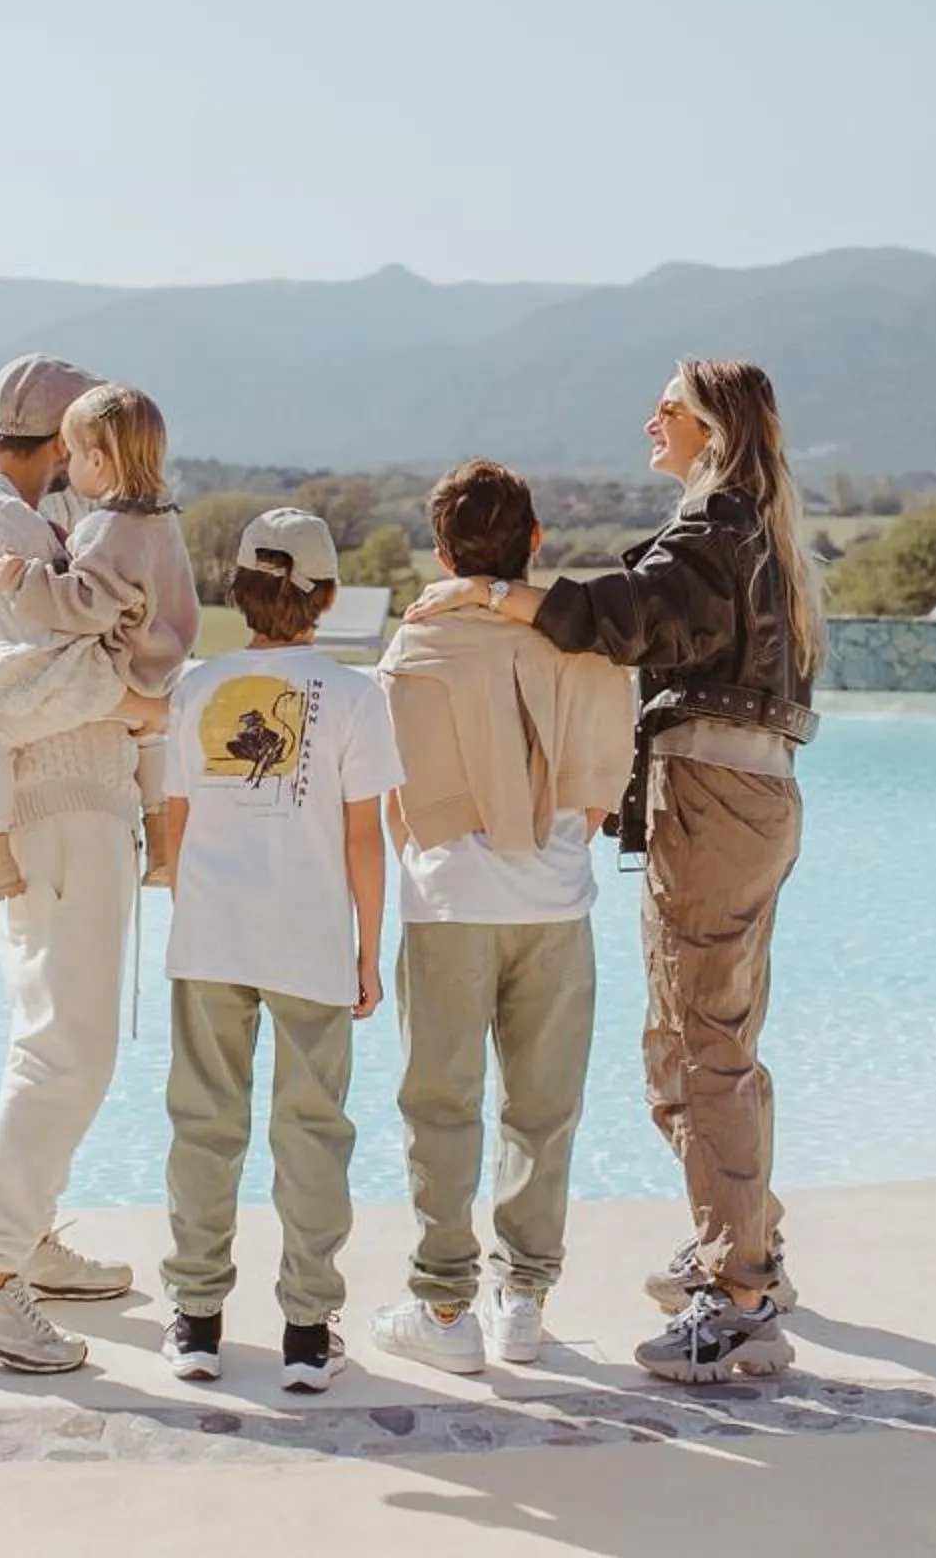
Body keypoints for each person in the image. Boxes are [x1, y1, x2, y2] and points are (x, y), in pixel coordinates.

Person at [403, 359, 819, 1384]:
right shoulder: (755, 531)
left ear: (711, 426)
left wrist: (499, 594)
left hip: (715, 798)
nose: (651, 419)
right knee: (706, 1039)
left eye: (667, 406)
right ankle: (743, 1247)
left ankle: (741, 1296)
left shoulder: (714, 528)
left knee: (698, 1046)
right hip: (755, 794)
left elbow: (625, 616)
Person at [0, 353, 169, 1375]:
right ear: (69, 442)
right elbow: (9, 681)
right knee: (71, 1047)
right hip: (58, 809)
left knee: (50, 1034)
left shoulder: (13, 520)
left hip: (65, 809)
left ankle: (28, 1235)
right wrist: (133, 700)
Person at [368, 461, 633, 1375]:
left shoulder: (416, 647)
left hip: (447, 906)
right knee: (542, 1108)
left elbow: (393, 792)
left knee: (440, 1106)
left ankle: (444, 1310)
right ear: (535, 540)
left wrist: (427, 859)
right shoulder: (585, 644)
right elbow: (600, 792)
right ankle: (523, 1300)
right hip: (555, 907)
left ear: (442, 552)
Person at [155, 507, 402, 1395]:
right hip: (309, 944)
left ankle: (196, 1322)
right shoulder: (354, 697)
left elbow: (175, 827)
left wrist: (198, 915)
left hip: (211, 940)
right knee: (312, 1135)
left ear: (240, 589)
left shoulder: (194, 688)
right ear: (328, 597)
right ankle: (305, 1331)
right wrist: (369, 951)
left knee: (204, 1128)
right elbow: (363, 840)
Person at [0, 382, 201, 905]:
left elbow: (86, 604)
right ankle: (163, 840)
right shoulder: (160, 520)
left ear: (96, 460)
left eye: (73, 454)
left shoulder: (107, 527)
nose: (66, 466)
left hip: (117, 669)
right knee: (150, 738)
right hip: (156, 666)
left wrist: (24, 579)